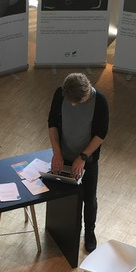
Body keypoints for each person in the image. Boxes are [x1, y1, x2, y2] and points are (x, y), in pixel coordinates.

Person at [48, 73, 109, 253]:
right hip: (64, 155)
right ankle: (68, 230)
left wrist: (82, 157)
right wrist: (57, 152)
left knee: (89, 198)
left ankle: (89, 232)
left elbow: (101, 134)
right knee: (64, 195)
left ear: (85, 94)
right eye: (70, 101)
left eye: (76, 102)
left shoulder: (100, 101)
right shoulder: (60, 93)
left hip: (87, 159)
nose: (73, 105)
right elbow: (52, 123)